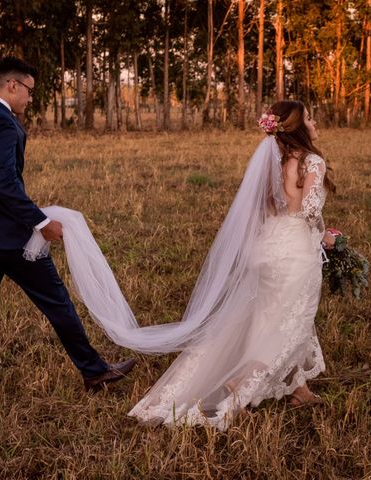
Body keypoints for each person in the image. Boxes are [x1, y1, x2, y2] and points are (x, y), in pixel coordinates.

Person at [128, 100, 336, 428]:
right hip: (294, 252)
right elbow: (308, 210)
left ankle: (299, 389)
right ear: (297, 126)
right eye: (309, 117)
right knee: (286, 328)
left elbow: (263, 208)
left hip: (265, 248)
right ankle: (235, 389)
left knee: (275, 319)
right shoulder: (312, 161)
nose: (313, 122)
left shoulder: (271, 161)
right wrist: (327, 237)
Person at [0, 56, 136, 392]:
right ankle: (93, 371)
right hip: (11, 236)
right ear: (12, 85)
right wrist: (41, 221)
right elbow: (3, 181)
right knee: (57, 300)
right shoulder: (3, 122)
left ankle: (93, 369)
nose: (30, 99)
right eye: (29, 91)